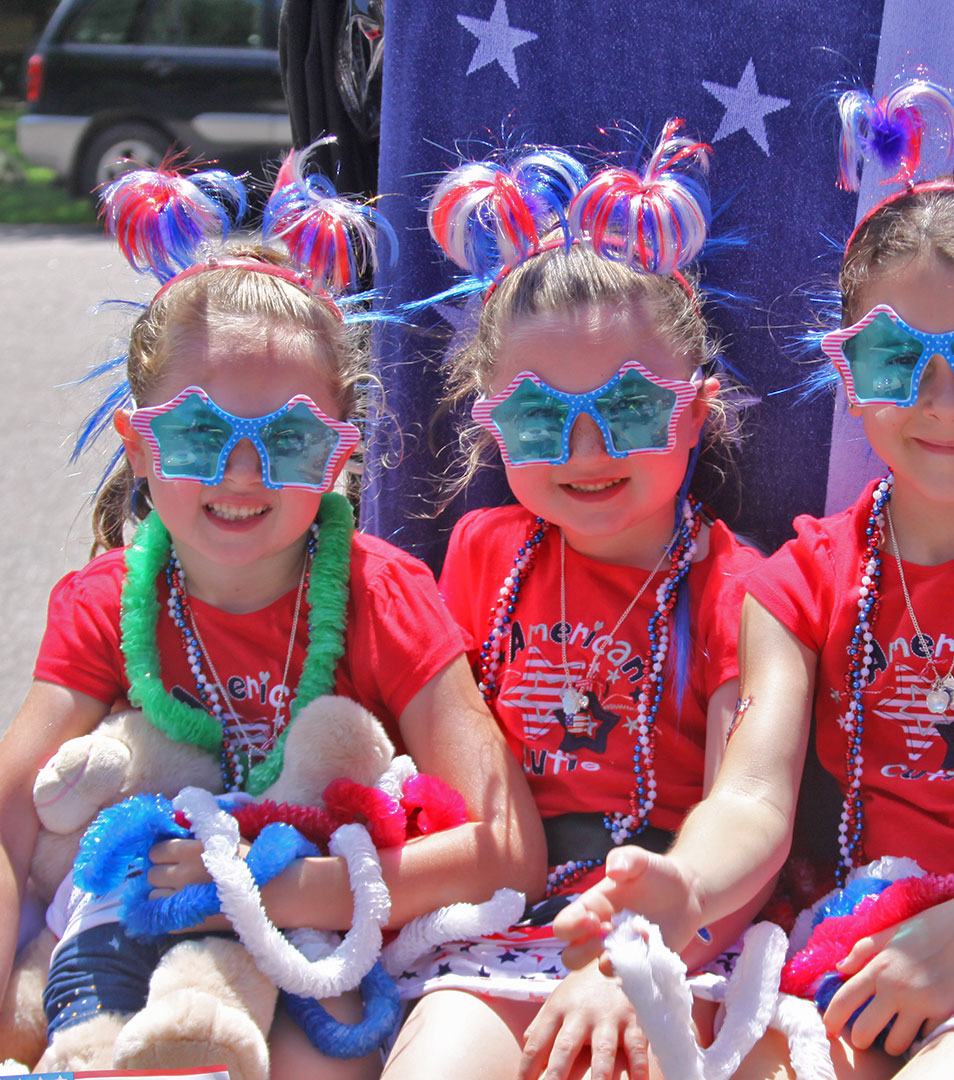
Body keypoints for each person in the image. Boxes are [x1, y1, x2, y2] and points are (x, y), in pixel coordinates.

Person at [556, 56, 954, 1080]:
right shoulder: (800, 579)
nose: (943, 402)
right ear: (850, 374)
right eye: (900, 360)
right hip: (858, 948)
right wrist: (685, 890)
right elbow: (754, 799)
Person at [0, 148, 543, 1080]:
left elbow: (509, 851)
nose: (242, 474)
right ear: (139, 445)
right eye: (200, 435)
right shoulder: (104, 604)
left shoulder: (384, 594)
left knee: (305, 1060)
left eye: (287, 439)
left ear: (340, 455)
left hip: (321, 945)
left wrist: (283, 889)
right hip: (128, 932)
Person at [381, 122, 765, 1080]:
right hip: (498, 930)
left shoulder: (739, 589)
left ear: (697, 407)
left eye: (630, 410)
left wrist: (640, 949)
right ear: (490, 425)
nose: (586, 452)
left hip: (682, 937)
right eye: (542, 417)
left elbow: (744, 817)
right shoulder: (480, 552)